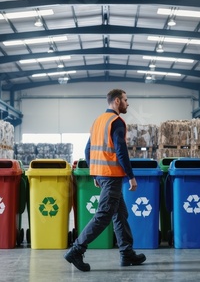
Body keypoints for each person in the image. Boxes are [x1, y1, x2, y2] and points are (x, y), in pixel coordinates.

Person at [64, 89, 146, 272]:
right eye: (125, 100)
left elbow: (88, 150)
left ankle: (126, 252)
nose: (127, 103)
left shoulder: (98, 121)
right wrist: (131, 176)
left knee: (120, 214)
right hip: (112, 176)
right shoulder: (116, 122)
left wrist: (95, 174)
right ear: (117, 101)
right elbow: (121, 151)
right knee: (104, 215)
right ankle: (76, 250)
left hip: (103, 175)